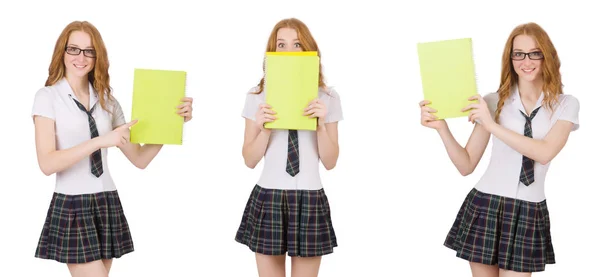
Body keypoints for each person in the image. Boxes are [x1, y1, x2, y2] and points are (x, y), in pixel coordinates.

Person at [32, 21, 193, 277]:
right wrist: (99, 141)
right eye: (73, 49)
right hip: (72, 203)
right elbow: (47, 163)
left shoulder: (107, 100)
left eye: (89, 51)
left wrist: (172, 123)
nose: (81, 57)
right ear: (62, 52)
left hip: (106, 199)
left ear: (98, 57)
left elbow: (139, 159)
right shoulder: (47, 97)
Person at [419, 22, 579, 277]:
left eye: (534, 53)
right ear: (510, 58)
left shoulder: (565, 104)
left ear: (546, 55)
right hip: (486, 203)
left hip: (528, 208)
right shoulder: (493, 101)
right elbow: (466, 164)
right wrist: (442, 129)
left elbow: (544, 152)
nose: (526, 61)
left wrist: (492, 125)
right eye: (518, 54)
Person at [234, 18, 343, 277]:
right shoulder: (257, 96)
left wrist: (320, 126)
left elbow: (330, 161)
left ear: (309, 50)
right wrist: (264, 130)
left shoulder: (327, 98)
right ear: (271, 52)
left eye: (297, 44)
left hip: (310, 195)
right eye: (280, 44)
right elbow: (249, 159)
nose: (289, 51)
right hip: (269, 195)